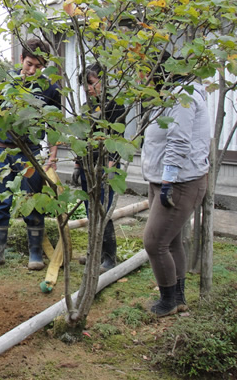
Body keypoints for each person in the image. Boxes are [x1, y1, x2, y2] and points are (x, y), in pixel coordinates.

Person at [0, 38, 61, 271]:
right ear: (21, 59)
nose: (32, 70)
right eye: (29, 64)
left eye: (38, 66)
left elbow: (54, 126)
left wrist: (52, 157)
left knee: (31, 201)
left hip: (30, 153)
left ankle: (35, 254)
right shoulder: (4, 82)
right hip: (2, 152)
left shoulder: (50, 88)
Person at [141, 54, 210, 317]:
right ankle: (178, 299)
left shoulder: (183, 96)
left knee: (154, 242)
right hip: (162, 179)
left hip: (180, 182)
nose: (141, 79)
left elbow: (179, 141)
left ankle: (167, 301)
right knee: (171, 242)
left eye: (146, 73)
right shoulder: (167, 95)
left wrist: (168, 179)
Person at [71, 63, 126, 272]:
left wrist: (110, 171)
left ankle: (110, 257)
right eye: (85, 85)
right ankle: (95, 254)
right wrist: (78, 164)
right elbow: (81, 137)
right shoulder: (86, 108)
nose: (88, 88)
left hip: (105, 166)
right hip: (88, 166)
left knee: (103, 211)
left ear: (102, 81)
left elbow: (117, 141)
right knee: (90, 210)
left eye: (91, 83)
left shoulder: (114, 105)